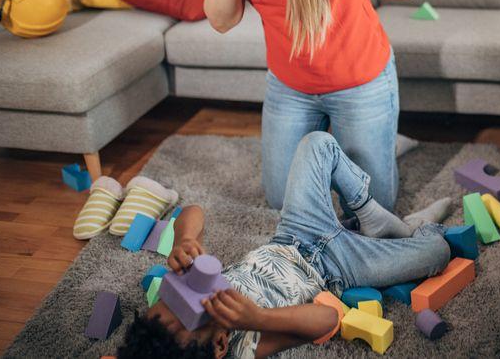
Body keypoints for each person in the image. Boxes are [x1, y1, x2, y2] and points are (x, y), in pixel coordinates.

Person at [117, 132, 452, 358]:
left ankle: (368, 214)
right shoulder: (243, 343)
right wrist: (259, 317)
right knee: (438, 252)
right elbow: (326, 319)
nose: (187, 300)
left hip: (295, 234)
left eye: (171, 301)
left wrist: (185, 239)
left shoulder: (183, 284)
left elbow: (192, 212)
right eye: (194, 315)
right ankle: (412, 227)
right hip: (339, 269)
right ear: (219, 344)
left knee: (316, 142)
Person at [199, 0, 416, 211]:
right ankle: (353, 149)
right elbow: (221, 21)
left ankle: (380, 143)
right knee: (280, 202)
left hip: (360, 83)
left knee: (372, 210)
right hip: (290, 89)